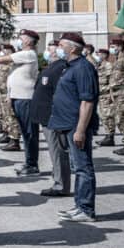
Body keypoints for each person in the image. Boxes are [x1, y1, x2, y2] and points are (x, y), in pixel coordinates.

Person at [50, 32, 100, 222]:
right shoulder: (69, 67)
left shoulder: (83, 68)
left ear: (72, 48)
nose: (58, 48)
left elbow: (87, 101)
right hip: (66, 124)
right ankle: (79, 205)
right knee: (77, 166)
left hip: (75, 125)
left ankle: (86, 209)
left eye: (61, 45)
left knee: (83, 166)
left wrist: (80, 130)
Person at [0, 30, 40, 175]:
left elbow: (0, 60)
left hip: (26, 98)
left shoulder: (28, 54)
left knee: (29, 133)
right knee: (25, 133)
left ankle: (32, 164)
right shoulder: (23, 55)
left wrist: (0, 55)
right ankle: (29, 162)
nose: (18, 41)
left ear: (28, 41)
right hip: (18, 97)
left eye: (21, 38)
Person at [32, 39, 71, 197]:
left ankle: (60, 184)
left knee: (57, 151)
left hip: (53, 117)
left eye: (53, 49)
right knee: (54, 150)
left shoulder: (61, 68)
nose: (50, 52)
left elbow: (59, 94)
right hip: (46, 116)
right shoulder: (52, 67)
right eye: (49, 49)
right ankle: (58, 179)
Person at [96, 48, 116, 147]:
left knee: (108, 116)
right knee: (103, 116)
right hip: (101, 95)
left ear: (104, 55)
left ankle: (110, 137)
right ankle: (107, 135)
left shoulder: (108, 66)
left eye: (99, 54)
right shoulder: (100, 65)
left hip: (106, 94)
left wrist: (111, 95)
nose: (98, 55)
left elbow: (111, 81)